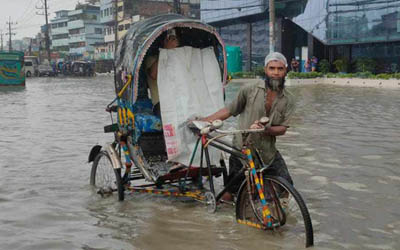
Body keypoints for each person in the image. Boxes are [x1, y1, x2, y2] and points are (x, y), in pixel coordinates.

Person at [201, 52, 295, 201]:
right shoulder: (249, 90)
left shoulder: (289, 99)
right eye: (272, 68)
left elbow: (282, 129)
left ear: (285, 70)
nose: (275, 73)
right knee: (230, 193)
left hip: (267, 151)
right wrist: (205, 120)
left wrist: (267, 130)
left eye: (279, 69)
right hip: (243, 148)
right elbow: (229, 110)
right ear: (265, 70)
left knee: (285, 188)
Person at [144, 29, 180, 117]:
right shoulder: (152, 59)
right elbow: (153, 74)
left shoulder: (179, 59)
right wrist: (165, 51)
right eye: (172, 39)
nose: (175, 43)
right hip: (161, 104)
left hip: (180, 100)